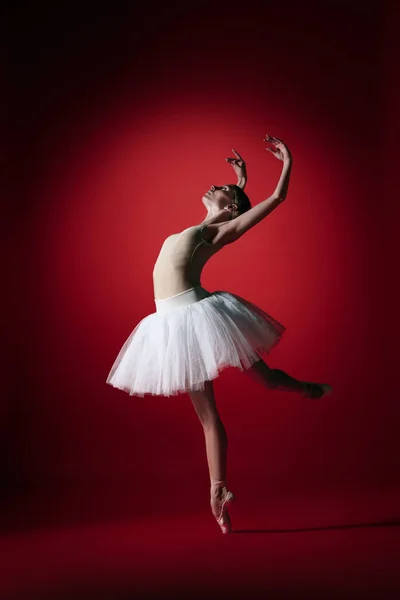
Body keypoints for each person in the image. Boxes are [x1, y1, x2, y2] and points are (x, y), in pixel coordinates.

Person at [106, 134, 333, 534]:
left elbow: (273, 201)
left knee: (252, 389)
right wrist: (239, 185)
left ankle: (221, 486)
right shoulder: (203, 226)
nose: (215, 184)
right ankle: (221, 494)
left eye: (222, 188)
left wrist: (287, 163)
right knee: (217, 410)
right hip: (170, 323)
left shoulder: (218, 233)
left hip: (196, 318)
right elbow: (225, 211)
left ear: (228, 208)